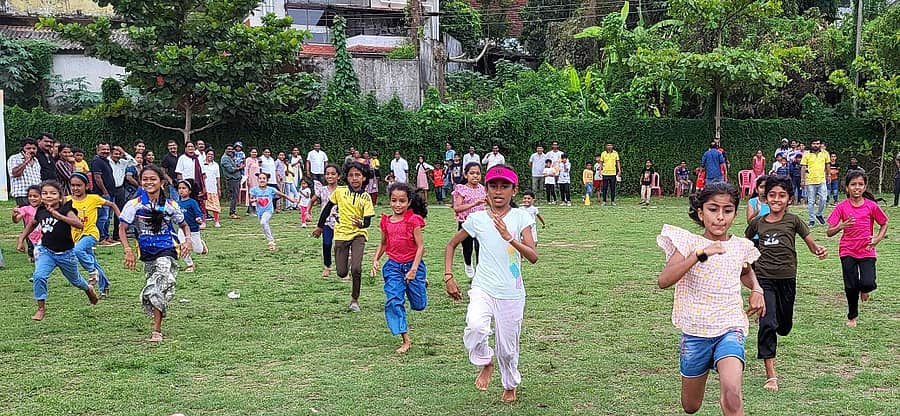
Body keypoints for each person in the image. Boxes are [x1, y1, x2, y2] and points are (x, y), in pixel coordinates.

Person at [656, 182, 765, 416]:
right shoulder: (688, 243)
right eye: (713, 209)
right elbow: (664, 280)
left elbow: (745, 271)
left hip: (730, 328)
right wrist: (700, 255)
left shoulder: (740, 246)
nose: (720, 217)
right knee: (691, 406)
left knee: (733, 391)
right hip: (696, 333)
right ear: (700, 212)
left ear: (735, 213)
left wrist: (757, 289)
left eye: (727, 210)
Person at [443, 164, 538, 403]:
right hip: (482, 287)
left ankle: (509, 384)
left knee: (508, 349)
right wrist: (448, 276)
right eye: (493, 186)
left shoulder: (521, 217)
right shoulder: (477, 219)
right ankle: (485, 360)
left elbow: (533, 256)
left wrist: (509, 238)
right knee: (475, 327)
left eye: (504, 186)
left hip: (511, 292)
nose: (498, 191)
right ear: (485, 190)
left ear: (513, 191)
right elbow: (451, 245)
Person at [745, 175, 827, 393]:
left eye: (782, 195)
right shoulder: (757, 223)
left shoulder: (794, 221)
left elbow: (810, 243)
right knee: (768, 324)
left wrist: (818, 249)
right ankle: (771, 375)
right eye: (772, 195)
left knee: (784, 326)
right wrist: (746, 265)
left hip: (788, 280)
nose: (776, 199)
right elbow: (746, 245)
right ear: (765, 197)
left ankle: (777, 323)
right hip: (764, 280)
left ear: (789, 199)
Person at [118, 165, 190, 342]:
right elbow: (122, 228)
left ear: (162, 182)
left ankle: (156, 331)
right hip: (147, 253)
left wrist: (187, 240)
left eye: (153, 179)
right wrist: (127, 250)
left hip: (167, 250)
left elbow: (184, 225)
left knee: (157, 285)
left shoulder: (170, 205)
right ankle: (157, 319)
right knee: (156, 291)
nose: (149, 182)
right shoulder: (134, 205)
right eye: (145, 179)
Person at [17, 180, 101, 321]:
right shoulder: (41, 210)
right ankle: (41, 309)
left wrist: (59, 216)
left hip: (66, 254)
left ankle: (88, 288)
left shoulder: (66, 208)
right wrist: (21, 239)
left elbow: (79, 224)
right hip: (46, 251)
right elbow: (32, 223)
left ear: (60, 196)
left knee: (76, 281)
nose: (48, 196)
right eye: (45, 193)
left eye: (52, 193)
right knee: (39, 276)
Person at [370, 182, 428, 354]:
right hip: (393, 267)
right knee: (394, 301)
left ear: (409, 202)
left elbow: (421, 247)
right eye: (394, 200)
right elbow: (382, 244)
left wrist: (414, 269)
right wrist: (375, 259)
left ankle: (421, 283)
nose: (397, 204)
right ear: (389, 201)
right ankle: (405, 339)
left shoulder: (413, 220)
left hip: (413, 265)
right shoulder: (385, 222)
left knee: (419, 305)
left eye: (402, 201)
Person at [826, 171, 889, 328]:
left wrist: (878, 239)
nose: (857, 188)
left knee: (868, 283)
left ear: (865, 186)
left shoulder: (871, 206)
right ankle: (852, 317)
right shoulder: (841, 207)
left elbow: (884, 223)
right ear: (847, 187)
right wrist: (841, 226)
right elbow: (829, 232)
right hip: (847, 250)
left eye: (860, 184)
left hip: (867, 250)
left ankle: (865, 289)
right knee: (850, 286)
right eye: (853, 184)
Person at [313, 161, 375, 312]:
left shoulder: (366, 198)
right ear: (347, 178)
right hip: (341, 234)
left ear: (364, 178)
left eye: (358, 175)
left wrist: (361, 223)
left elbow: (367, 221)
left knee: (356, 268)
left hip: (358, 235)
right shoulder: (340, 192)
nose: (354, 178)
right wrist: (320, 227)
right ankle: (345, 262)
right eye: (351, 175)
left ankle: (355, 300)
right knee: (341, 272)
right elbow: (327, 209)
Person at [68, 172, 119, 298]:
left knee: (78, 251)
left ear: (86, 186)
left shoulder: (93, 198)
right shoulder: (66, 200)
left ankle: (92, 272)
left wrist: (121, 218)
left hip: (91, 233)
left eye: (79, 185)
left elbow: (111, 204)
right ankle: (104, 285)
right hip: (76, 236)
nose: (75, 188)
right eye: (73, 185)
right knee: (93, 260)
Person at [9, 139, 43, 256]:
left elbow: (38, 178)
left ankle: (40, 246)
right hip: (23, 194)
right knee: (29, 222)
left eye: (34, 148)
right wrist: (26, 162)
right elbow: (14, 173)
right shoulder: (15, 158)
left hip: (37, 195)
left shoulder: (37, 161)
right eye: (28, 148)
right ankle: (31, 252)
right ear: (23, 148)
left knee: (38, 221)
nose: (31, 151)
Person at [453, 162, 487, 278]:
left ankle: (480, 272)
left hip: (480, 224)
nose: (475, 176)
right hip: (465, 223)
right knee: (467, 248)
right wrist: (474, 204)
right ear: (466, 175)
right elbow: (457, 208)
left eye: (478, 173)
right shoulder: (461, 189)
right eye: (472, 173)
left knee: (480, 247)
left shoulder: (483, 189)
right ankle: (468, 263)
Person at [250, 172, 296, 251]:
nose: (262, 180)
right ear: (257, 180)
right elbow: (251, 200)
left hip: (268, 210)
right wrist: (254, 200)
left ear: (267, 180)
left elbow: (281, 194)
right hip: (260, 211)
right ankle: (270, 241)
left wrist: (290, 199)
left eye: (264, 178)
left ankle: (271, 240)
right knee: (264, 224)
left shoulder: (270, 189)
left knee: (263, 222)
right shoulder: (254, 190)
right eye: (260, 178)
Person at [309, 164, 340, 277]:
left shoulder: (343, 191)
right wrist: (308, 212)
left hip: (340, 222)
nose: (330, 176)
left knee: (340, 246)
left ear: (338, 176)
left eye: (333, 174)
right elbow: (312, 201)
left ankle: (344, 267)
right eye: (327, 174)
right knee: (326, 244)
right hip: (326, 222)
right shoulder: (322, 190)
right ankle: (327, 266)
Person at [175, 180, 208, 272]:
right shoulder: (177, 203)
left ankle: (202, 246)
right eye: (179, 188)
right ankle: (190, 265)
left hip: (193, 230)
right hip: (182, 230)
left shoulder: (192, 202)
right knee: (182, 246)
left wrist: (199, 218)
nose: (181, 190)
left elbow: (198, 213)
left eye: (184, 188)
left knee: (198, 250)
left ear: (189, 191)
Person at [91, 143, 119, 247]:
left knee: (108, 217)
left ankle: (107, 237)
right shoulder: (97, 161)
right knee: (102, 217)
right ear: (97, 150)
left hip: (111, 193)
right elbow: (97, 177)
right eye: (103, 149)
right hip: (102, 194)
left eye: (107, 149)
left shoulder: (106, 160)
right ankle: (100, 238)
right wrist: (105, 191)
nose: (106, 151)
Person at [801, 139, 830, 227]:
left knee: (824, 199)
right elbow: (803, 167)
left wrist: (828, 175)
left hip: (821, 180)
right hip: (810, 180)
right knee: (811, 201)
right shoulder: (806, 154)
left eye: (817, 144)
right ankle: (811, 220)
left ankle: (819, 214)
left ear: (820, 144)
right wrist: (802, 179)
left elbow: (827, 165)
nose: (816, 145)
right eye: (814, 144)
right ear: (811, 144)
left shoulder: (825, 153)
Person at [12, 185, 43, 263]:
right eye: (30, 196)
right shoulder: (25, 209)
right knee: (38, 253)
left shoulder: (45, 208)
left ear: (41, 197)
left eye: (35, 196)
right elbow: (16, 220)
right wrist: (14, 216)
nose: (32, 198)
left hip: (44, 236)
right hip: (33, 237)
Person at [108, 146, 130, 241]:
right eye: (115, 153)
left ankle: (117, 235)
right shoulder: (107, 161)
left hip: (120, 188)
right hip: (109, 188)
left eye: (118, 154)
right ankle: (105, 236)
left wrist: (123, 152)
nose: (117, 155)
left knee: (119, 212)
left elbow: (134, 162)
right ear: (111, 154)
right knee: (108, 214)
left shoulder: (123, 162)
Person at [221, 144, 244, 219]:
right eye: (228, 149)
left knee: (235, 196)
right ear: (225, 150)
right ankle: (232, 213)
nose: (230, 150)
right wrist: (240, 168)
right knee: (234, 196)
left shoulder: (230, 157)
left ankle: (233, 211)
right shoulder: (225, 159)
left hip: (236, 179)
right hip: (232, 179)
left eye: (231, 149)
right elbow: (230, 170)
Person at [201, 150, 221, 227]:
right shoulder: (201, 163)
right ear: (206, 155)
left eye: (212, 154)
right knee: (203, 206)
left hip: (213, 188)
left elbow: (218, 177)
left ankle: (216, 221)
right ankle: (203, 222)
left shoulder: (216, 165)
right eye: (209, 154)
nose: (210, 156)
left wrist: (219, 188)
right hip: (204, 189)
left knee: (215, 206)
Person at [244, 148, 260, 214]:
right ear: (250, 153)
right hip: (250, 178)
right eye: (253, 152)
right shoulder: (248, 160)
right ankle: (251, 209)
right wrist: (247, 179)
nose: (254, 153)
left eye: (255, 152)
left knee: (256, 193)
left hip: (256, 179)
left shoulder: (257, 160)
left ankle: (254, 208)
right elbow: (246, 170)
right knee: (251, 193)